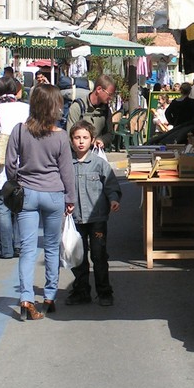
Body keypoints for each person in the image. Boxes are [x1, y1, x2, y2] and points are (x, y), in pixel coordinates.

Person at [5, 84, 75, 320]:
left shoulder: (19, 131)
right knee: (52, 247)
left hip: (27, 192)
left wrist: (17, 180)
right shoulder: (60, 136)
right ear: (54, 107)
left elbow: (9, 164)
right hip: (54, 193)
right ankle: (50, 296)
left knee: (27, 249)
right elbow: (67, 171)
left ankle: (26, 297)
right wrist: (70, 198)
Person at [65, 121, 122, 307]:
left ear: (92, 140)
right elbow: (61, 187)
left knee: (99, 255)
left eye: (85, 138)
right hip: (75, 218)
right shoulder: (66, 164)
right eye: (77, 138)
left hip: (97, 218)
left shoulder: (99, 164)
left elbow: (111, 185)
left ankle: (104, 291)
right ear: (71, 140)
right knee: (78, 256)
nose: (81, 141)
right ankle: (81, 291)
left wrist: (113, 199)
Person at [0, 76, 30, 259]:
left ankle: (6, 249)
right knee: (19, 204)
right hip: (23, 160)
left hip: (0, 163)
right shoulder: (26, 108)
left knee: (2, 207)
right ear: (16, 90)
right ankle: (19, 245)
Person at [66, 74, 115, 149]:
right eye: (109, 94)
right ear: (99, 89)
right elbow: (70, 136)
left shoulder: (106, 110)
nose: (111, 98)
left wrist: (101, 140)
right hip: (78, 153)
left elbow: (110, 134)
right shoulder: (77, 107)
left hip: (95, 152)